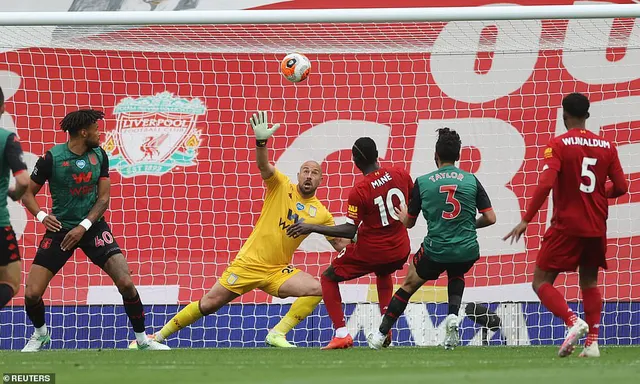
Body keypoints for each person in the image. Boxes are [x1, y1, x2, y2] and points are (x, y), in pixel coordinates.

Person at [153, 111, 347, 347]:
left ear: (321, 180)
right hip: (248, 264)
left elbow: (340, 245)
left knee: (318, 288)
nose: (309, 176)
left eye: (315, 173)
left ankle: (277, 333)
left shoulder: (322, 214)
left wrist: (363, 239)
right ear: (298, 175)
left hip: (278, 271)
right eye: (305, 171)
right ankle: (157, 337)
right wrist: (261, 142)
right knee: (209, 303)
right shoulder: (281, 185)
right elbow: (263, 165)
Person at [21, 109, 168, 352]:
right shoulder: (51, 158)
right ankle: (40, 334)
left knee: (126, 282)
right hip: (61, 230)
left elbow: (103, 199)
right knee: (32, 293)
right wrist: (42, 216)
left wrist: (84, 226)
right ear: (83, 132)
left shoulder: (100, 155)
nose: (100, 133)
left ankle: (143, 340)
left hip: (92, 227)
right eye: (96, 129)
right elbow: (27, 193)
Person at [504, 93, 628, 358]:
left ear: (564, 115)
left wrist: (526, 219)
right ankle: (592, 343)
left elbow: (546, 184)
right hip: (596, 225)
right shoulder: (607, 146)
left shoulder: (558, 144)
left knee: (540, 281)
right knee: (590, 281)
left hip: (567, 225)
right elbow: (622, 187)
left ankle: (573, 321)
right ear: (587, 115)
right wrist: (596, 195)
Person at [368, 127, 496, 350]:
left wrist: (402, 215)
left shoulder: (424, 181)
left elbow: (410, 223)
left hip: (436, 250)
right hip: (467, 249)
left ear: (435, 155)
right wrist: (467, 225)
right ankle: (453, 317)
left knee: (408, 285)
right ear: (458, 156)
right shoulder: (471, 180)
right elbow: (491, 218)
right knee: (456, 269)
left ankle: (380, 336)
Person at [287, 137, 413, 349]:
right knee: (383, 272)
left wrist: (312, 227)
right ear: (376, 154)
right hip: (400, 249)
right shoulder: (400, 173)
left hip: (373, 251)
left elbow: (349, 230)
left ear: (355, 161)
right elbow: (413, 202)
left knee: (328, 278)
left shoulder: (360, 190)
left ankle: (342, 333)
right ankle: (385, 329)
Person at [0, 86, 30, 311]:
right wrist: (14, 194)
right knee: (10, 281)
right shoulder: (6, 139)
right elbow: (23, 182)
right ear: (2, 108)